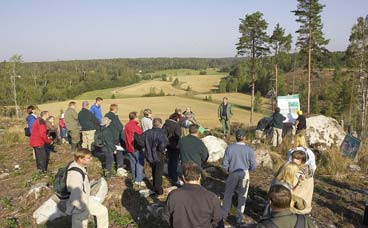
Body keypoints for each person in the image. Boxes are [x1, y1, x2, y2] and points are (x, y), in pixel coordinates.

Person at [162, 163, 224, 228]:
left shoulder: (173, 195)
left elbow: (166, 218)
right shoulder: (212, 198)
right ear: (200, 177)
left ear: (183, 177)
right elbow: (218, 222)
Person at [66, 148, 108, 228]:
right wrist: (80, 207)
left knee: (102, 211)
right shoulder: (75, 174)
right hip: (79, 204)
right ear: (80, 159)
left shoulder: (80, 166)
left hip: (86, 199)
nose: (91, 159)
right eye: (88, 158)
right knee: (80, 224)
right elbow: (75, 192)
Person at [221, 129, 257, 224]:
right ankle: (239, 217)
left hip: (233, 172)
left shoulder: (230, 148)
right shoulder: (249, 149)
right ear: (245, 138)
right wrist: (248, 169)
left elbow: (224, 164)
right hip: (244, 172)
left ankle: (224, 215)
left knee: (228, 194)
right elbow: (254, 166)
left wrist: (228, 170)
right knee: (243, 195)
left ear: (235, 137)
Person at [141, 118, 168, 195]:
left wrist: (145, 147)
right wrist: (163, 149)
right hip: (159, 154)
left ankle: (154, 186)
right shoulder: (162, 133)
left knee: (154, 170)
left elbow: (140, 141)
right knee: (158, 172)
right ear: (160, 124)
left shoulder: (147, 132)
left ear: (153, 124)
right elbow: (163, 144)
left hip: (149, 155)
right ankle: (158, 190)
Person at [290, 150, 315, 214]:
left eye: (297, 159)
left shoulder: (297, 173)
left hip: (295, 207)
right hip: (306, 206)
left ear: (302, 161)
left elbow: (291, 190)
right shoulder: (309, 171)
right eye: (293, 158)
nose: (293, 160)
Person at [124, 111, 145, 187]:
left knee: (133, 163)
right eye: (137, 117)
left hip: (128, 147)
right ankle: (139, 179)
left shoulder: (127, 125)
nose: (138, 119)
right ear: (135, 117)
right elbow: (141, 137)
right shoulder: (136, 127)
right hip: (135, 147)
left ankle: (135, 177)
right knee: (139, 162)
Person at [163, 113, 182, 185]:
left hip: (167, 145)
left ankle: (170, 174)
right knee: (174, 162)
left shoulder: (165, 124)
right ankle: (174, 178)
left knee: (170, 160)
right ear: (176, 118)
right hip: (175, 146)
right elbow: (178, 136)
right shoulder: (176, 125)